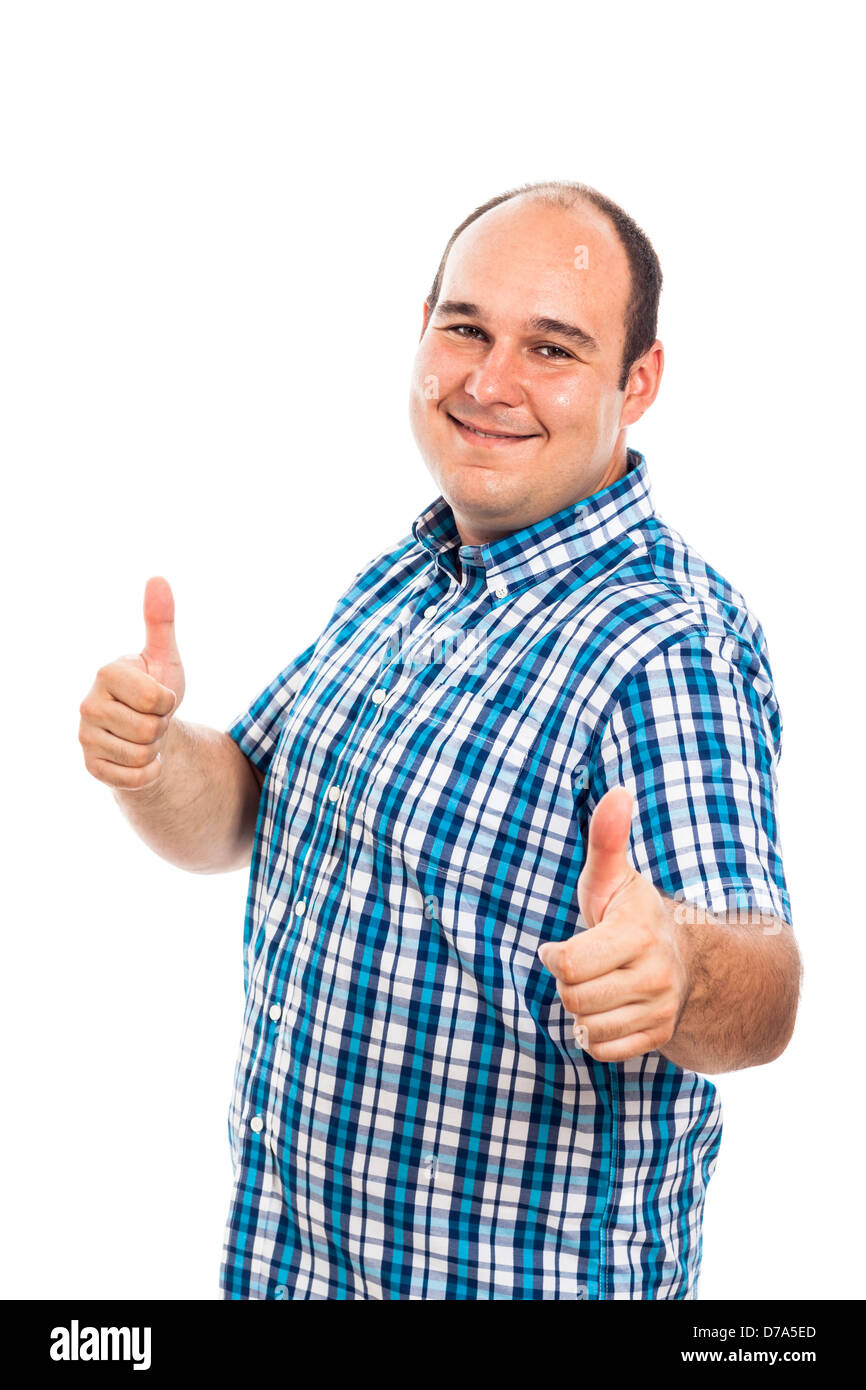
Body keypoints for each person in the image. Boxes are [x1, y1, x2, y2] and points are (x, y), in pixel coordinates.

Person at [78, 180, 802, 1300]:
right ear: (420, 329)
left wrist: (678, 968)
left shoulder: (662, 645)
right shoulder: (410, 574)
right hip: (288, 1267)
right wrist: (156, 755)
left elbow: (763, 988)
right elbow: (242, 811)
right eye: (464, 327)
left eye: (551, 347)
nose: (488, 381)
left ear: (637, 382)